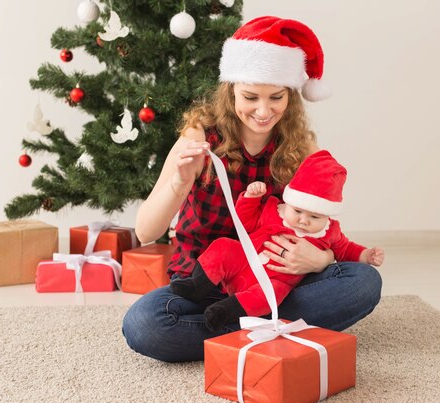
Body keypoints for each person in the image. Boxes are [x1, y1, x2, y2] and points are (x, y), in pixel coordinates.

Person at [123, 16, 382, 362]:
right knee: (144, 324)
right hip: (206, 282)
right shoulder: (200, 137)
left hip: (272, 282)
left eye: (276, 97)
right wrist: (180, 183)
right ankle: (268, 329)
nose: (264, 111)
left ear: (290, 95)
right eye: (250, 97)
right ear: (230, 91)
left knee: (364, 281)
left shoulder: (298, 148)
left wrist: (322, 259)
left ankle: (238, 327)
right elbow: (145, 232)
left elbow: (321, 228)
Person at [170, 150, 385, 331]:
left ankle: (226, 312)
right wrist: (250, 199)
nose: (303, 221)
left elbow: (345, 249)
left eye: (315, 217)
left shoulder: (330, 232)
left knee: (270, 295)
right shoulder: (273, 210)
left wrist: (365, 255)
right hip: (243, 261)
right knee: (224, 247)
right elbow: (245, 223)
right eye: (298, 211)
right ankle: (197, 286)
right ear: (289, 201)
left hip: (276, 282)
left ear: (328, 216)